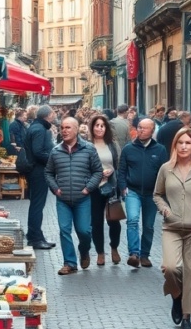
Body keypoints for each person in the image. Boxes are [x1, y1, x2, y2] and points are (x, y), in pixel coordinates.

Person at [153, 127, 191, 329]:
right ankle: (177, 296)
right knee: (170, 267)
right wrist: (165, 210)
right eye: (180, 143)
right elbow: (157, 194)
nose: (184, 146)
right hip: (171, 227)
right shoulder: (166, 169)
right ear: (175, 145)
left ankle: (187, 317)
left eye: (188, 143)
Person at [45, 116, 104, 275]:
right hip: (63, 199)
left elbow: (97, 172)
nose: (64, 131)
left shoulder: (89, 149)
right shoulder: (56, 151)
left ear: (77, 130)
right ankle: (70, 263)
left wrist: (88, 188)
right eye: (62, 128)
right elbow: (48, 172)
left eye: (68, 127)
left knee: (84, 231)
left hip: (82, 199)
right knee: (64, 230)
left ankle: (84, 251)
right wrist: (55, 189)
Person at [118, 118, 169, 268]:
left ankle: (145, 255)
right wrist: (123, 187)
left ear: (152, 131)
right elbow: (122, 170)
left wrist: (161, 193)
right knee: (132, 220)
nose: (141, 130)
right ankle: (134, 253)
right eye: (139, 127)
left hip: (152, 193)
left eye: (145, 128)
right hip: (132, 191)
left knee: (148, 226)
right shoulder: (128, 148)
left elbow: (164, 173)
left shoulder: (160, 150)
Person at [87, 114, 123, 266]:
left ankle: (114, 248)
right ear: (92, 128)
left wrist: (112, 171)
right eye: (97, 125)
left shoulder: (112, 145)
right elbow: (84, 165)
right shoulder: (87, 145)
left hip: (111, 186)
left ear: (106, 128)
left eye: (102, 126)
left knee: (114, 220)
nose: (100, 128)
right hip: (94, 188)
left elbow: (119, 164)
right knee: (96, 222)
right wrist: (96, 174)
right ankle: (100, 252)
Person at [24, 105, 57, 250]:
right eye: (53, 113)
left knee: (37, 205)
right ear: (48, 115)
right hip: (38, 171)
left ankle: (36, 236)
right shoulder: (39, 129)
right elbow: (38, 151)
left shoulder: (37, 127)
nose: (54, 115)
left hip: (36, 170)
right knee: (37, 205)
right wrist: (53, 159)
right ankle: (35, 239)